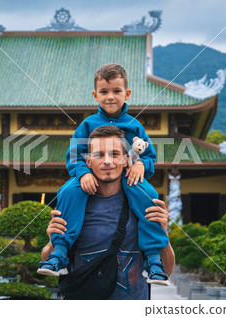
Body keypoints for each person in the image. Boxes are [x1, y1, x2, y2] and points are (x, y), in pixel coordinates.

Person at [38, 64, 169, 285]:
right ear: (95, 95)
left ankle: (154, 260)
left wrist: (141, 166)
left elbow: (149, 156)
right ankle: (59, 252)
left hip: (129, 177)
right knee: (68, 191)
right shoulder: (87, 125)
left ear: (127, 94)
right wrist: (82, 174)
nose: (110, 97)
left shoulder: (135, 126)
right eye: (104, 92)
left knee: (150, 195)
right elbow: (74, 156)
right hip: (90, 176)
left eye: (116, 91)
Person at [41, 126, 175, 299]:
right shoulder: (74, 205)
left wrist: (163, 233)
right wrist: (52, 242)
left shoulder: (143, 206)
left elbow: (168, 270)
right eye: (99, 155)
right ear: (88, 162)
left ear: (126, 159)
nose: (107, 161)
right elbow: (46, 260)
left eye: (114, 154)